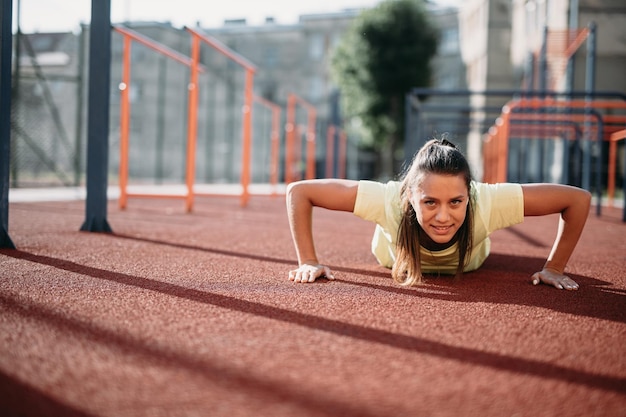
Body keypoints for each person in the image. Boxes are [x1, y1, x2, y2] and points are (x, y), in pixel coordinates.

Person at [286, 138, 591, 290]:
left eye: (456, 202)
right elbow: (300, 191)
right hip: (393, 257)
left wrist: (555, 267)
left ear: (468, 195)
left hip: (472, 259)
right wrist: (308, 261)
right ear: (410, 197)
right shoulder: (389, 198)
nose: (443, 217)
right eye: (430, 202)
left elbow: (576, 199)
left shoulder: (487, 200)